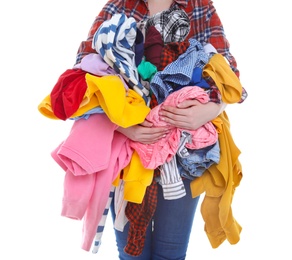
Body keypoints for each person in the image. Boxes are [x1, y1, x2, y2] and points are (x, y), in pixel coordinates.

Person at [73, 0, 247, 259]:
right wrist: (123, 125)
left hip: (185, 154)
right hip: (128, 156)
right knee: (133, 254)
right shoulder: (119, 6)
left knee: (171, 253)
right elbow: (82, 72)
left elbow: (229, 75)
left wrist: (210, 110)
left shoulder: (199, 6)